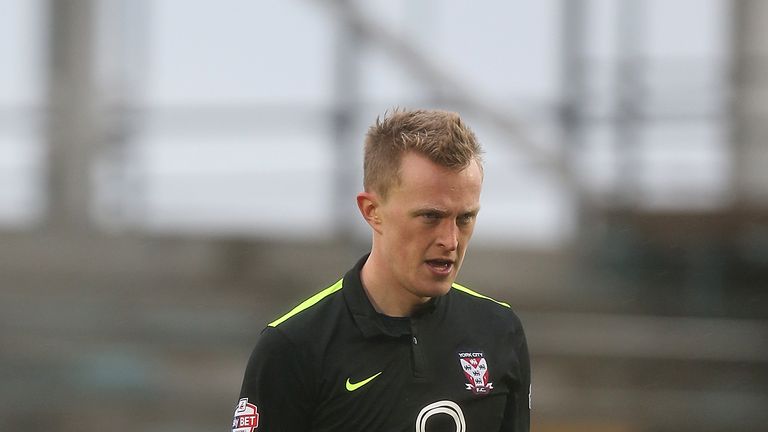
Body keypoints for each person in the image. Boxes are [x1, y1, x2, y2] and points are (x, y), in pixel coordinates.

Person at [232, 109, 531, 432]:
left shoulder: (499, 331)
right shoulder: (293, 346)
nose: (450, 240)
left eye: (465, 218)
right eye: (430, 217)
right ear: (372, 211)